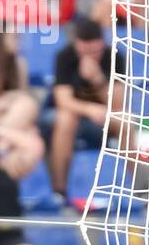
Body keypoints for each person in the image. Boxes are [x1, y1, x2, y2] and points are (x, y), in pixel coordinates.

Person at [49, 17, 125, 194]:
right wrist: (89, 109)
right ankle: (59, 189)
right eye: (85, 52)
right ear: (77, 45)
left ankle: (138, 189)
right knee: (65, 120)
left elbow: (118, 104)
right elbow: (63, 101)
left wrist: (98, 79)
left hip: (105, 114)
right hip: (73, 113)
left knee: (125, 123)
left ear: (102, 44)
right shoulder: (65, 56)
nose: (90, 57)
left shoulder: (115, 57)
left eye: (95, 52)